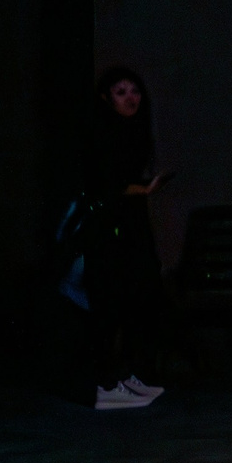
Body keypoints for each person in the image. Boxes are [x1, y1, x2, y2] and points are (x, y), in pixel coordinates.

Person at [81, 66, 169, 411]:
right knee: (111, 300)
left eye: (134, 91)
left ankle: (128, 376)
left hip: (131, 222)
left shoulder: (134, 130)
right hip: (110, 225)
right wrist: (139, 188)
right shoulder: (103, 133)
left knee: (141, 296)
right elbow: (103, 182)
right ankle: (105, 383)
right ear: (106, 98)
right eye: (120, 92)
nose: (130, 98)